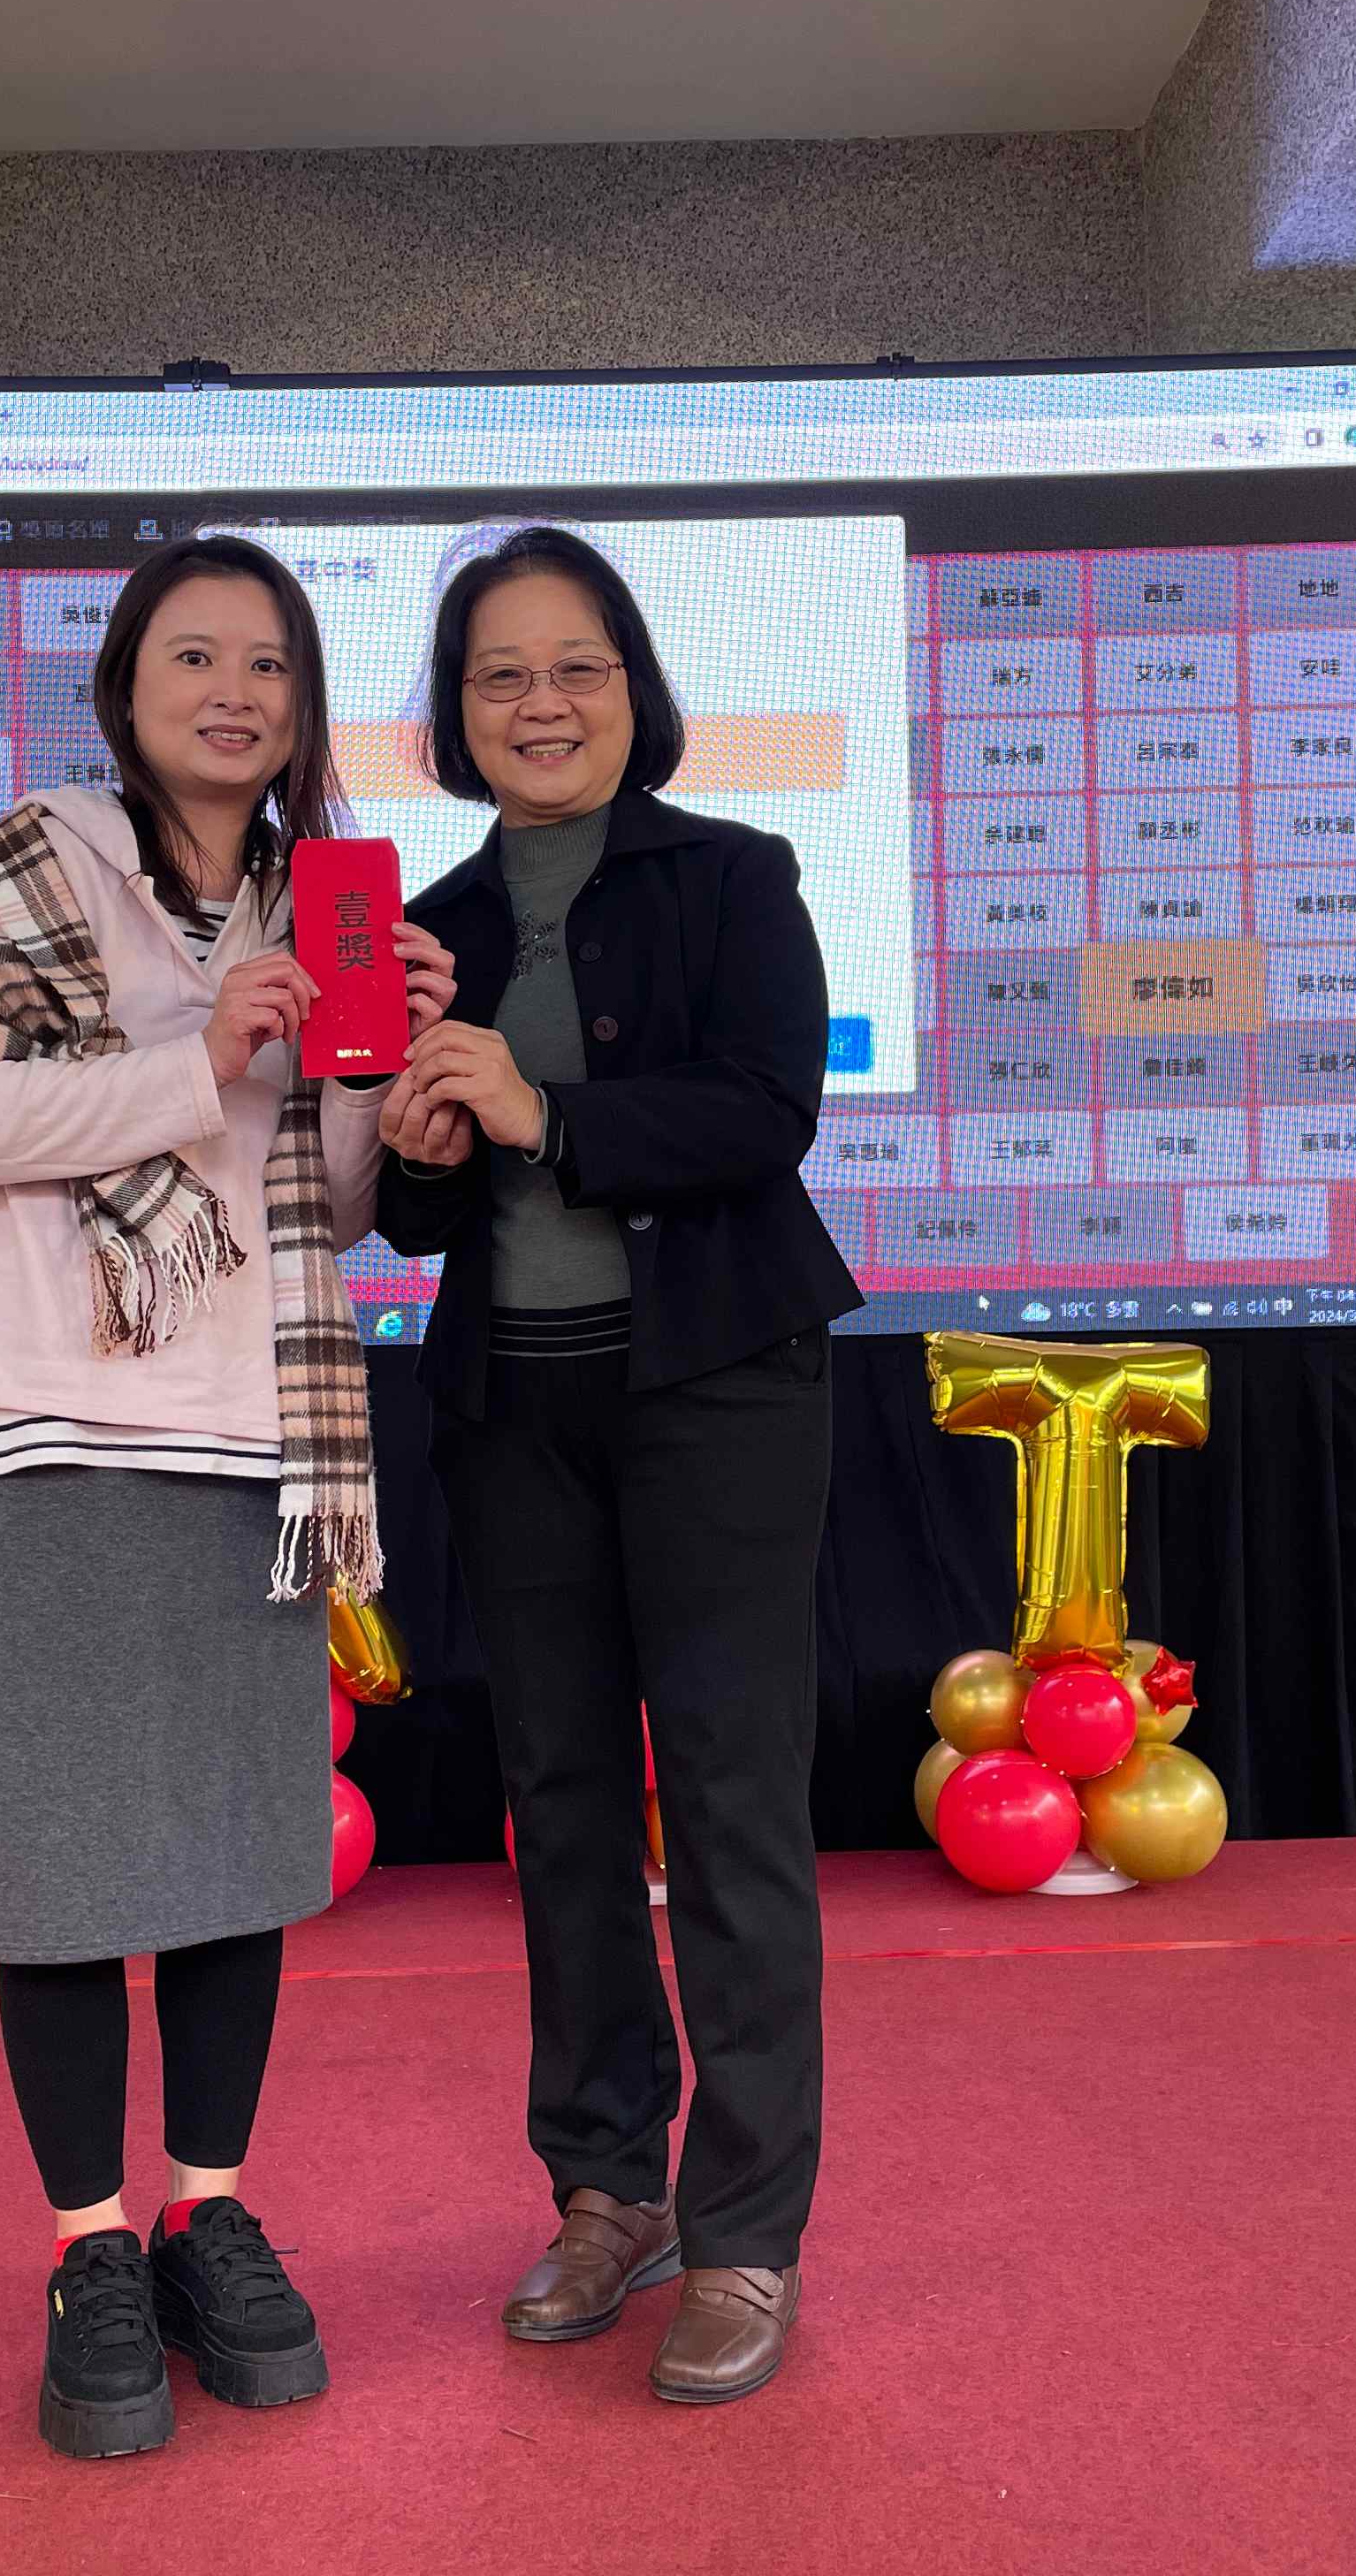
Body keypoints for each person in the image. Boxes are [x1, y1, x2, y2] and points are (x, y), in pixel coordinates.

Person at [0, 536, 454, 2461]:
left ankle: (208, 2213)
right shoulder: (36, 865)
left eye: (270, 665)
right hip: (42, 1419)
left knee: (232, 1844)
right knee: (66, 1855)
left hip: (248, 1431)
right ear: (127, 686)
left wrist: (381, 1073)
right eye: (196, 656)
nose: (235, 692)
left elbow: (331, 1207)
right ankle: (88, 2246)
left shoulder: (321, 899)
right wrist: (192, 1049)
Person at [376, 527, 861, 2404]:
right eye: (499, 674)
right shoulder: (433, 924)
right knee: (561, 1802)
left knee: (729, 1801)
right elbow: (429, 1223)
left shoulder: (733, 875)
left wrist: (542, 1109)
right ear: (454, 713)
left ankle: (744, 2231)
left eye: (576, 666)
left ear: (635, 690)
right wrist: (424, 1139)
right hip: (514, 1408)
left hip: (719, 1387)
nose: (541, 703)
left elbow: (764, 1111)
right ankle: (607, 2191)